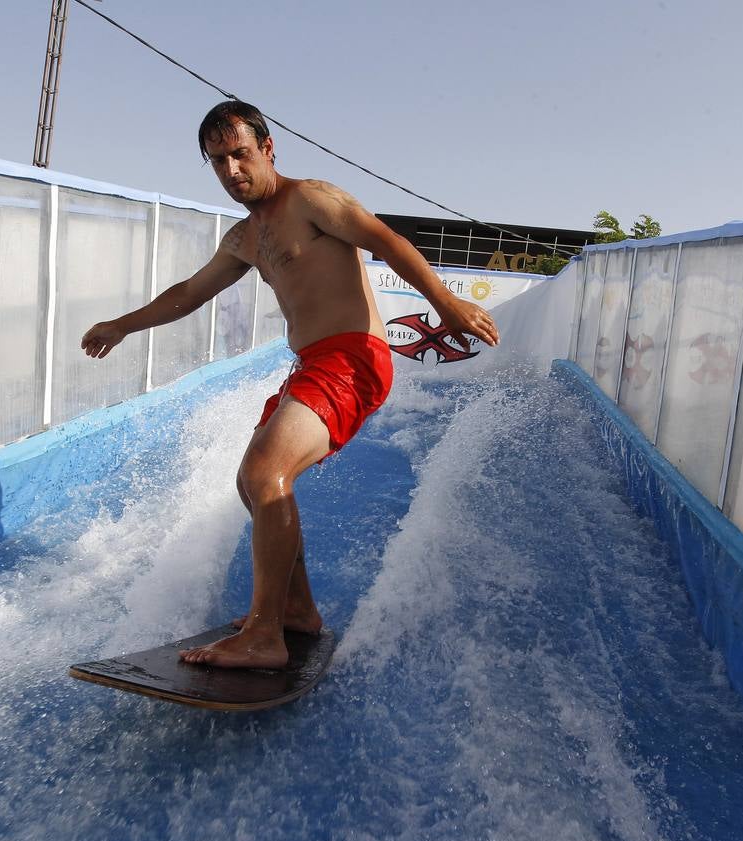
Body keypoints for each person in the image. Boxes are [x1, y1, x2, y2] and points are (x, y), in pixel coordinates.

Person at [81, 100, 499, 669]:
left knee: (265, 472)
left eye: (241, 155)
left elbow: (385, 241)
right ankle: (297, 612)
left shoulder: (310, 199)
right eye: (218, 161)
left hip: (354, 356)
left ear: (267, 148)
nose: (232, 171)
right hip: (313, 365)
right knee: (251, 483)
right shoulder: (243, 239)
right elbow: (187, 293)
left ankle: (263, 636)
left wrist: (446, 304)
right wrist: (121, 326)